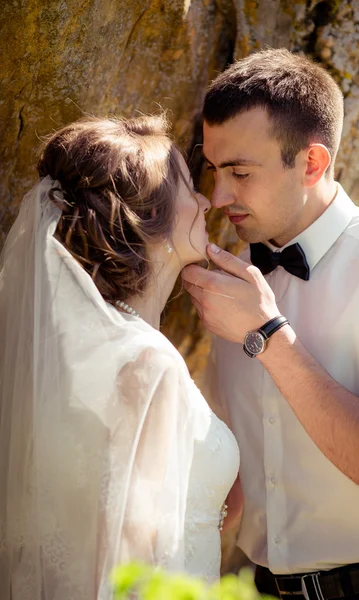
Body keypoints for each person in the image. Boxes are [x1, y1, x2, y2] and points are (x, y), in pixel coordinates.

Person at [182, 48, 359, 600]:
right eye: (214, 170)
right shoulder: (232, 277)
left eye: (240, 172)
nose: (218, 197)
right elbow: (231, 479)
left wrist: (270, 337)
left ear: (311, 163)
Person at [0, 115, 240, 599]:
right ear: (150, 219)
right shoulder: (145, 363)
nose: (205, 202)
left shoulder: (89, 351)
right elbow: (130, 557)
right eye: (190, 187)